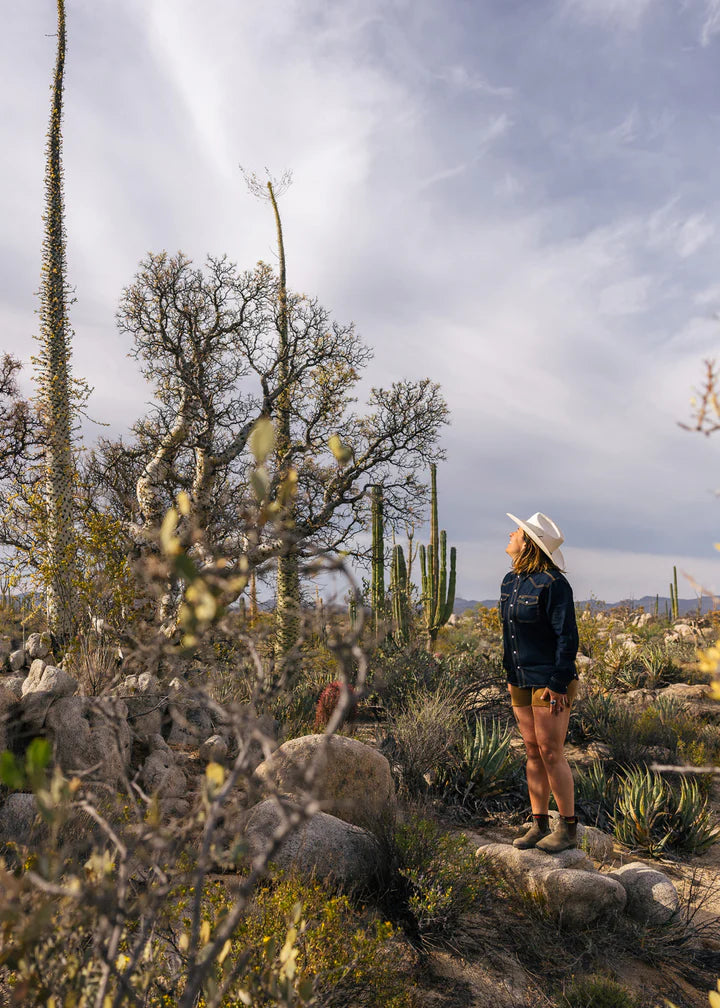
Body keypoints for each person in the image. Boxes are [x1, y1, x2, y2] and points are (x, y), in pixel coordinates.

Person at [500, 511, 580, 853]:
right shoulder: (509, 581)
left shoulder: (554, 584)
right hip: (519, 678)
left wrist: (559, 682)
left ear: (528, 543)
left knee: (550, 752)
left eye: (516, 532)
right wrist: (509, 675)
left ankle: (568, 829)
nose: (510, 534)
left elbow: (568, 637)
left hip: (550, 680)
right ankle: (538, 824)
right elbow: (510, 636)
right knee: (532, 751)